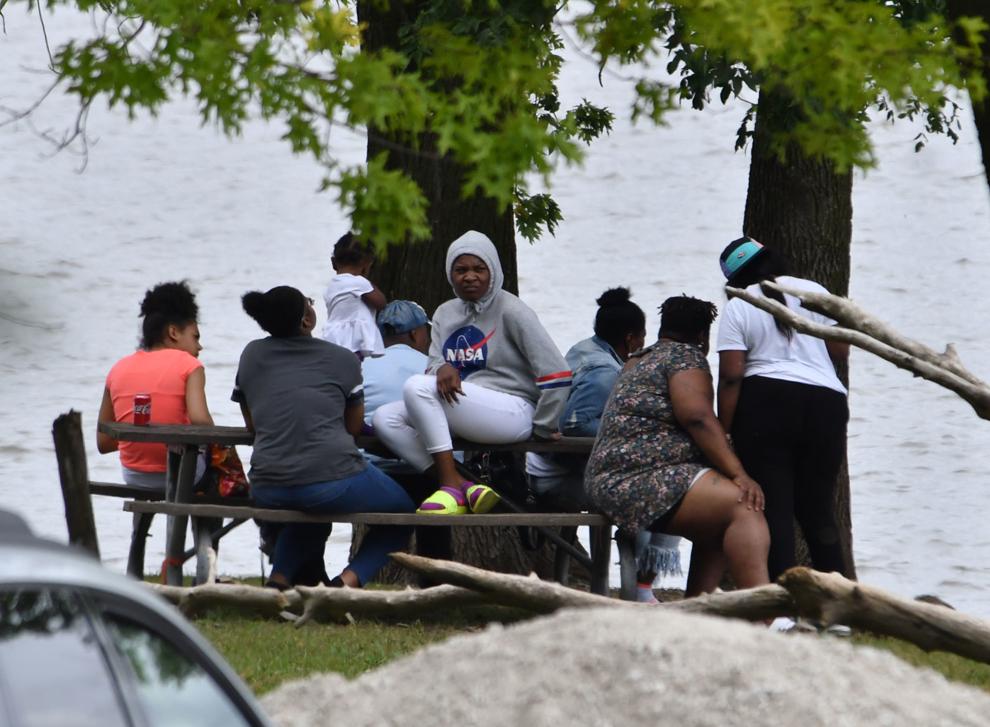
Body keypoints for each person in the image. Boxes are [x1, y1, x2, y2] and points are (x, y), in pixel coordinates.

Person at [373, 230, 572, 515]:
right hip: (467, 407)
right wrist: (442, 367)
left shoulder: (512, 310)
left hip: (513, 410)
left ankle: (448, 487)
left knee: (416, 386)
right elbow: (433, 366)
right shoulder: (445, 313)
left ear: (493, 271)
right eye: (461, 270)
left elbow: (557, 373)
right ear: (450, 273)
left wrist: (543, 425)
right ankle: (462, 483)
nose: (469, 276)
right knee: (385, 418)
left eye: (479, 269)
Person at [586, 295, 770, 596]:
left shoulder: (638, 359)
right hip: (637, 479)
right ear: (702, 336)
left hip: (607, 479)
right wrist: (739, 474)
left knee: (717, 525)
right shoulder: (685, 358)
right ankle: (766, 609)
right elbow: (697, 418)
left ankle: (696, 611)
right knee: (745, 506)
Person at [233, 285, 414, 589]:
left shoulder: (251, 354)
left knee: (311, 513)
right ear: (306, 320)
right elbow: (353, 427)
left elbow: (253, 424)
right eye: (310, 303)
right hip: (330, 479)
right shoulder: (342, 359)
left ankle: (278, 582)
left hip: (266, 484)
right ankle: (345, 584)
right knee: (403, 513)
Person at [526, 288, 683, 603]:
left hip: (554, 467)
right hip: (556, 477)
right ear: (630, 338)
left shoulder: (583, 349)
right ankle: (641, 588)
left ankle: (638, 582)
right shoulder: (604, 372)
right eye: (642, 337)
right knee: (654, 496)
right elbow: (574, 425)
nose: (643, 344)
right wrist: (632, 432)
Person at [715, 236, 850, 580]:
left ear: (733, 279)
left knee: (773, 508)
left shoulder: (739, 304)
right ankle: (839, 598)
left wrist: (724, 430)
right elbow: (840, 350)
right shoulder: (811, 290)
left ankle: (783, 599)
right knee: (818, 509)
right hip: (826, 403)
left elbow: (731, 376)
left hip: (765, 404)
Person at [97, 280, 213, 491]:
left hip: (133, 476)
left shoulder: (117, 369)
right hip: (181, 475)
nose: (199, 346)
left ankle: (143, 518)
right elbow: (201, 422)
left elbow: (103, 442)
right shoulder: (189, 365)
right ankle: (214, 516)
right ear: (173, 332)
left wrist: (143, 446)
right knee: (219, 461)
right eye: (195, 337)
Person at [361, 300, 431, 430]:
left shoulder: (360, 365)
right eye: (425, 331)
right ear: (414, 334)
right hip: (423, 440)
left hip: (365, 440)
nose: (427, 339)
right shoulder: (435, 367)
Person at [321, 232, 387, 359]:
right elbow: (381, 303)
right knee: (353, 366)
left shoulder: (332, 285)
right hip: (351, 340)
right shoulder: (359, 282)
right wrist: (368, 281)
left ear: (333, 262)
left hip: (333, 337)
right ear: (366, 264)